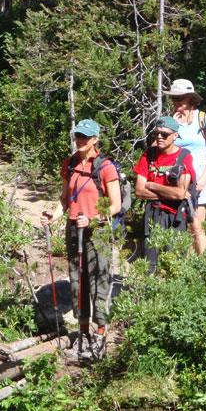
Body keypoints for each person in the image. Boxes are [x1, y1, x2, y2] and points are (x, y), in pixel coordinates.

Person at [39, 119, 121, 359]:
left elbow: (115, 205)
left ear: (95, 139)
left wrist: (94, 218)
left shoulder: (105, 167)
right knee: (78, 280)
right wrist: (52, 216)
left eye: (85, 137)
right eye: (77, 136)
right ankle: (82, 332)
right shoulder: (71, 163)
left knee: (99, 280)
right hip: (74, 228)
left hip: (99, 230)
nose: (80, 140)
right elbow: (65, 199)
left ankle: (101, 334)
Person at [164, 78, 206, 254]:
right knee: (178, 227)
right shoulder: (169, 121)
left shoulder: (203, 119)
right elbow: (159, 148)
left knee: (197, 225)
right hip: (176, 181)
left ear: (190, 98)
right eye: (173, 98)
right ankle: (183, 270)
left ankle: (204, 270)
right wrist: (171, 126)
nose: (176, 101)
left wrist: (204, 178)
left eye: (179, 97)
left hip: (199, 180)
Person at [133, 116, 196, 271]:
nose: (159, 137)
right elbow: (139, 190)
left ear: (175, 136)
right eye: (156, 134)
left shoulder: (184, 157)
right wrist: (170, 193)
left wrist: (152, 184)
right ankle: (146, 294)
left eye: (164, 134)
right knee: (149, 264)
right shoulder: (149, 155)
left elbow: (180, 194)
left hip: (176, 217)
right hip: (153, 214)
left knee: (174, 264)